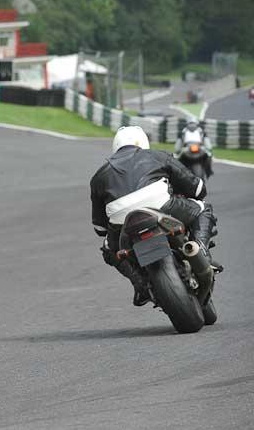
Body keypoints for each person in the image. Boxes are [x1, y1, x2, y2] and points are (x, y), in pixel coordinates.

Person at [90, 126, 218, 306]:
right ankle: (200, 251)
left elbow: (100, 228)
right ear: (143, 142)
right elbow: (197, 189)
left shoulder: (99, 176)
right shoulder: (157, 155)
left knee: (109, 249)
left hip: (122, 221)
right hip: (161, 206)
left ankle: (140, 284)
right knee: (203, 208)